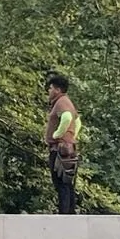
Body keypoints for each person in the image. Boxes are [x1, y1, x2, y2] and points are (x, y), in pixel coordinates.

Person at [44, 73, 82, 215]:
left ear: (58, 90)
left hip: (59, 149)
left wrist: (57, 135)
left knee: (61, 183)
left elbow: (67, 118)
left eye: (51, 88)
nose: (49, 91)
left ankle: (65, 215)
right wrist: (72, 136)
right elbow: (78, 122)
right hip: (68, 148)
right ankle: (70, 213)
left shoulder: (61, 102)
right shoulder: (67, 102)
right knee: (67, 183)